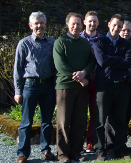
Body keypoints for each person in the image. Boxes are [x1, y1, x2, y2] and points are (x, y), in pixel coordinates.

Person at [13, 11, 57, 163]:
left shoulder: (53, 43)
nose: (39, 26)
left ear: (46, 24)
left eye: (41, 23)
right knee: (26, 122)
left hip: (49, 85)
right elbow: (17, 70)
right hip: (30, 85)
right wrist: (18, 91)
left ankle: (46, 150)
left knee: (47, 121)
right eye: (36, 23)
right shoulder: (24, 43)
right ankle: (23, 153)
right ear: (31, 25)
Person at [53, 12, 96, 162]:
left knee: (80, 121)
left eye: (78, 24)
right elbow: (60, 66)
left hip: (81, 89)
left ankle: (76, 152)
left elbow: (92, 61)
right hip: (65, 87)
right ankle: (63, 154)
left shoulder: (85, 43)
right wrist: (80, 79)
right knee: (64, 122)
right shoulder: (60, 42)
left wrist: (85, 73)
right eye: (73, 23)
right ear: (67, 25)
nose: (76, 26)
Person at [91, 14, 131, 161]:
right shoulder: (99, 42)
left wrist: (112, 61)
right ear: (109, 24)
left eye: (120, 26)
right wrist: (119, 60)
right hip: (105, 86)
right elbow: (102, 61)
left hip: (122, 86)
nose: (117, 28)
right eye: (114, 25)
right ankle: (100, 150)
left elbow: (129, 62)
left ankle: (119, 149)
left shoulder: (126, 44)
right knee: (101, 121)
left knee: (121, 119)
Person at [79, 11, 101, 153]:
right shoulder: (78, 38)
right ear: (85, 22)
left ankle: (91, 143)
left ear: (98, 23)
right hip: (80, 82)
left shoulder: (102, 39)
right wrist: (81, 77)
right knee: (79, 114)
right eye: (90, 21)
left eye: (95, 21)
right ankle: (77, 142)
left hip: (97, 82)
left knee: (95, 114)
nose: (92, 24)